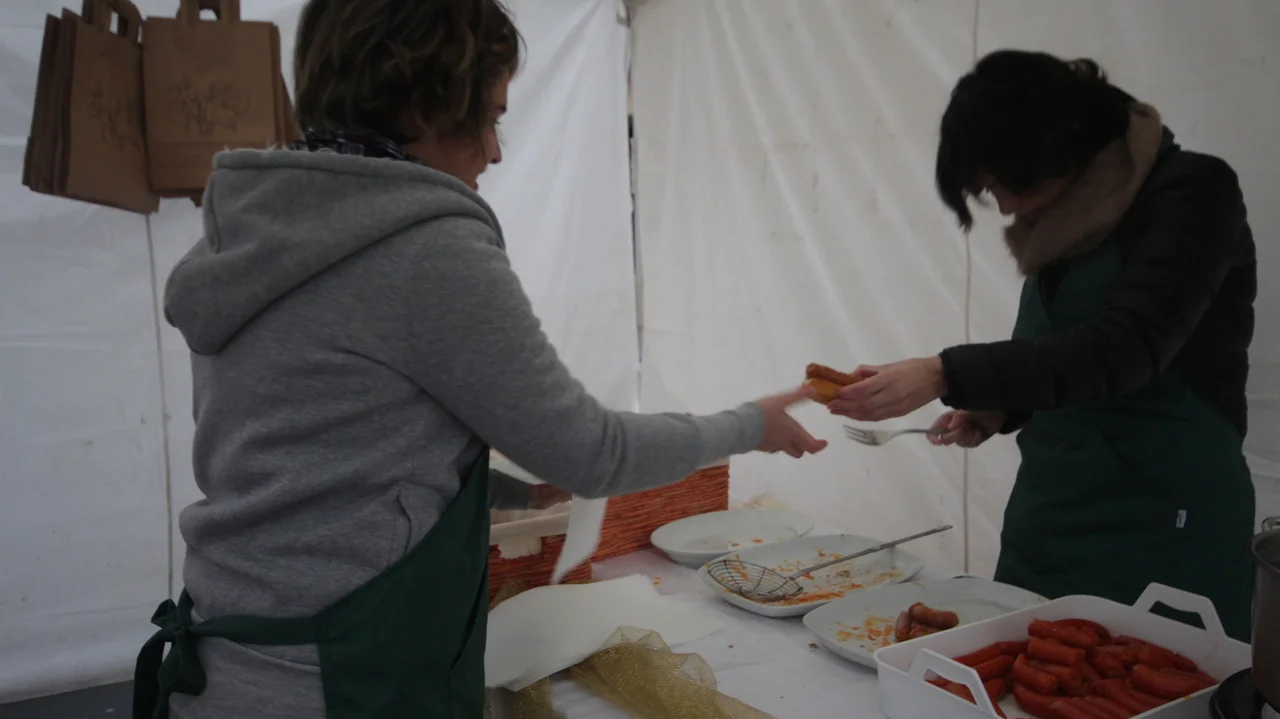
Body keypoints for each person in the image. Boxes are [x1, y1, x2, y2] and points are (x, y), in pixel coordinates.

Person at [131, 2, 826, 717]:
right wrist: (750, 424)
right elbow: (593, 453)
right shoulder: (423, 248)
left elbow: (324, 459)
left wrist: (514, 493)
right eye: (489, 118)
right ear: (424, 102)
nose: (494, 151)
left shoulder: (253, 231)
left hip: (224, 660)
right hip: (341, 678)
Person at [827, 50, 1256, 641]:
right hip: (1053, 511)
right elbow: (1055, 347)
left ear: (1062, 149)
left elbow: (1122, 349)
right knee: (1021, 669)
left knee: (1156, 676)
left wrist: (943, 373)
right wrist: (1001, 406)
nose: (1005, 207)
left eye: (1007, 184)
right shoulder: (1064, 216)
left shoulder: (1192, 193)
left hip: (1162, 519)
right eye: (989, 191)